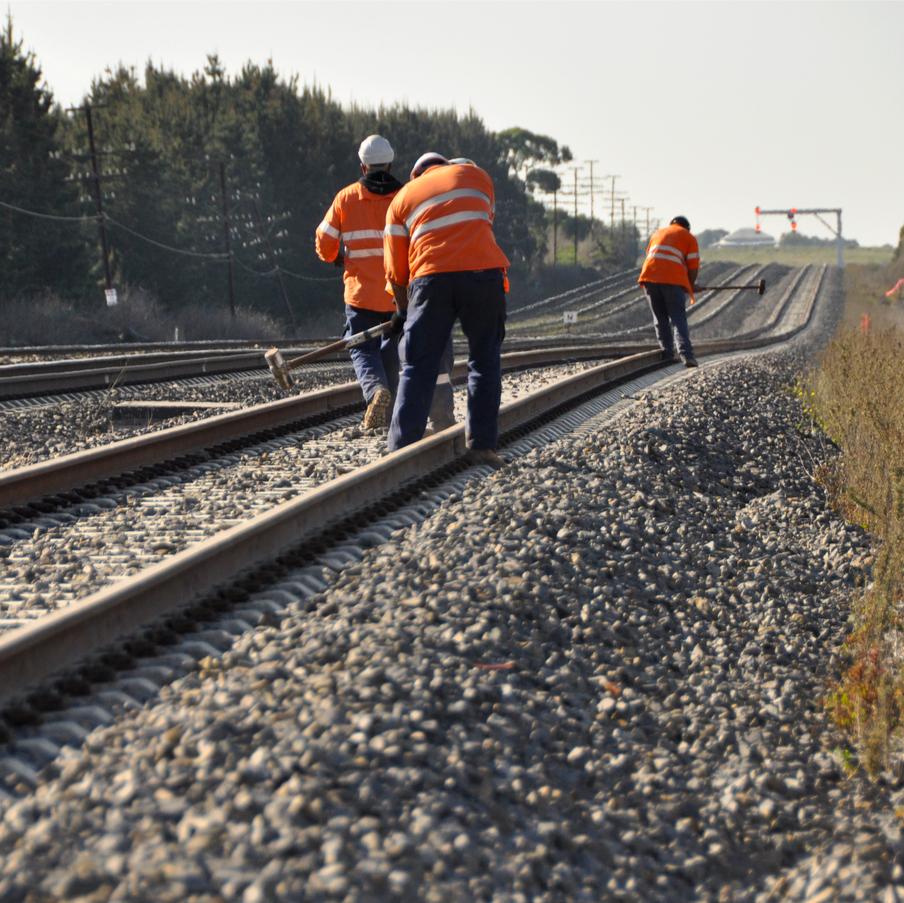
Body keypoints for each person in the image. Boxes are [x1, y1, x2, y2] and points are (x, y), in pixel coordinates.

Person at [384, 152, 509, 464]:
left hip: (430, 279)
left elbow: (396, 272)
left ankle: (400, 451)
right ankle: (482, 446)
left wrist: (403, 311)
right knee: (484, 359)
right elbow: (484, 223)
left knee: (418, 365)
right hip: (483, 275)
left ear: (416, 175)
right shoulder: (478, 177)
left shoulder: (402, 199)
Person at [315, 134, 404, 429]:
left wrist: (334, 257)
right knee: (391, 349)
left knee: (361, 347)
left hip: (361, 294)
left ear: (363, 166)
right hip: (397, 295)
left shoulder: (347, 198)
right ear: (390, 164)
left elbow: (324, 242)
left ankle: (376, 391)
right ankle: (389, 414)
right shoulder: (405, 197)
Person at [638, 215, 701, 368]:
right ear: (687, 227)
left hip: (649, 279)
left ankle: (667, 355)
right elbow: (693, 267)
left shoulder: (658, 233)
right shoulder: (689, 237)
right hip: (672, 281)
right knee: (678, 319)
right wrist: (691, 285)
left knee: (660, 319)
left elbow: (653, 257)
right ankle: (687, 356)